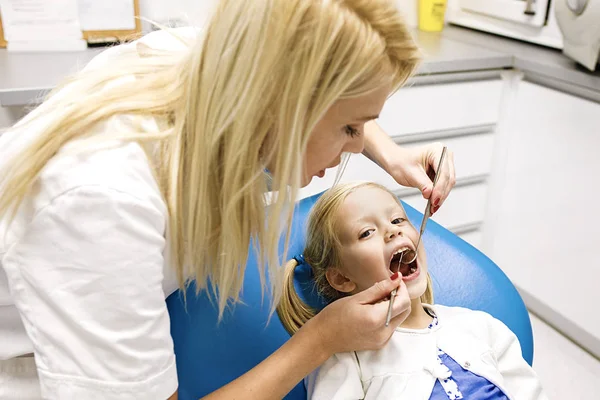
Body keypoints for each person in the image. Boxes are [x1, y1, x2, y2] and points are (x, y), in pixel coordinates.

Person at [0, 1, 456, 399]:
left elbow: (317, 86)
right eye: (350, 130)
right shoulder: (102, 204)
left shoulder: (211, 63)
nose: (357, 147)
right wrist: (321, 341)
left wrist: (392, 156)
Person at [277, 181, 547, 400]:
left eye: (397, 219)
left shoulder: (480, 326)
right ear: (341, 278)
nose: (392, 231)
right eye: (367, 232)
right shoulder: (344, 357)